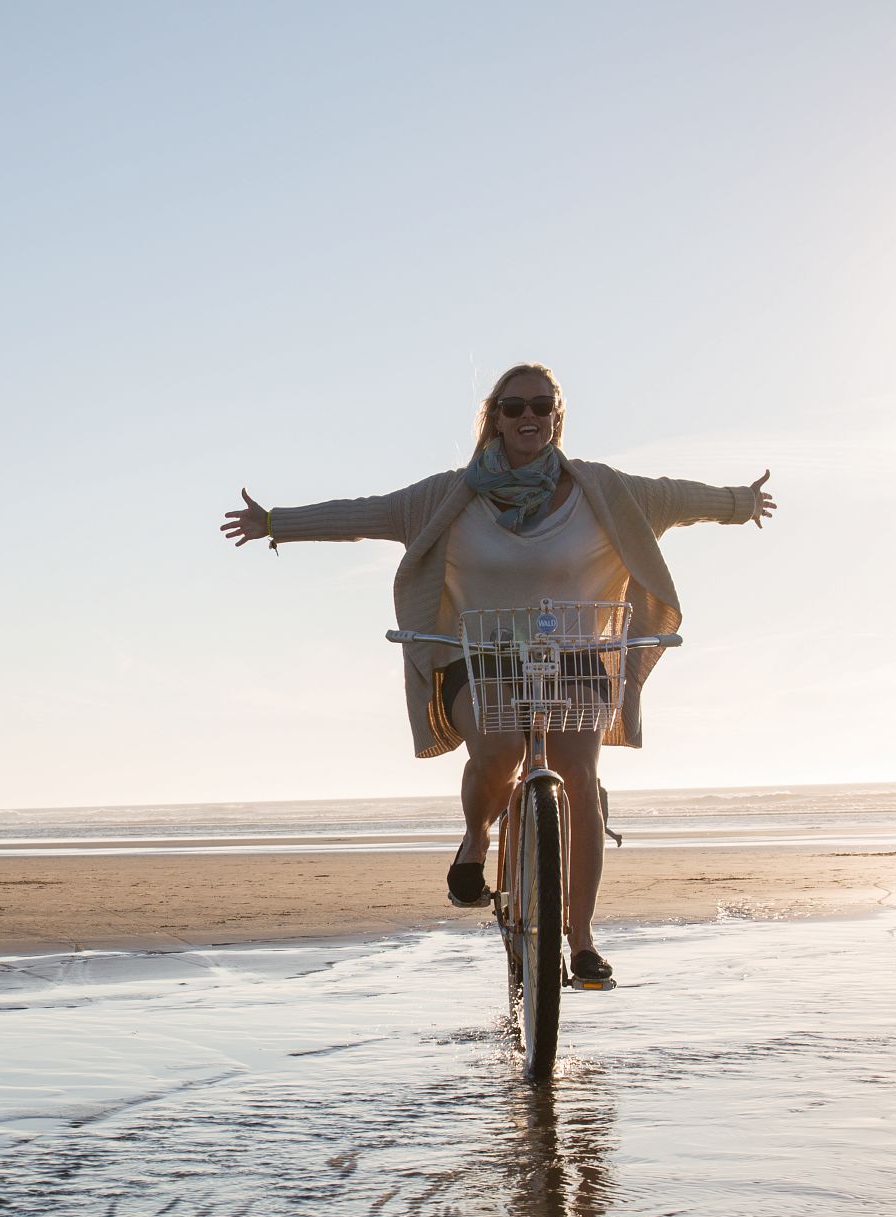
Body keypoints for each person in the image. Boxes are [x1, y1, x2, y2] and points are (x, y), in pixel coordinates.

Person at [219, 361, 775, 985]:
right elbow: (369, 515)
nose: (528, 417)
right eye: (515, 408)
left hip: (574, 657)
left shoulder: (607, 491)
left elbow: (679, 498)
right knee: (501, 746)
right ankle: (476, 840)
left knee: (582, 781)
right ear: (495, 418)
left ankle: (583, 942)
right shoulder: (447, 496)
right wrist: (274, 524)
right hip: (477, 657)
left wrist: (741, 502)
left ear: (556, 417)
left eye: (541, 406)